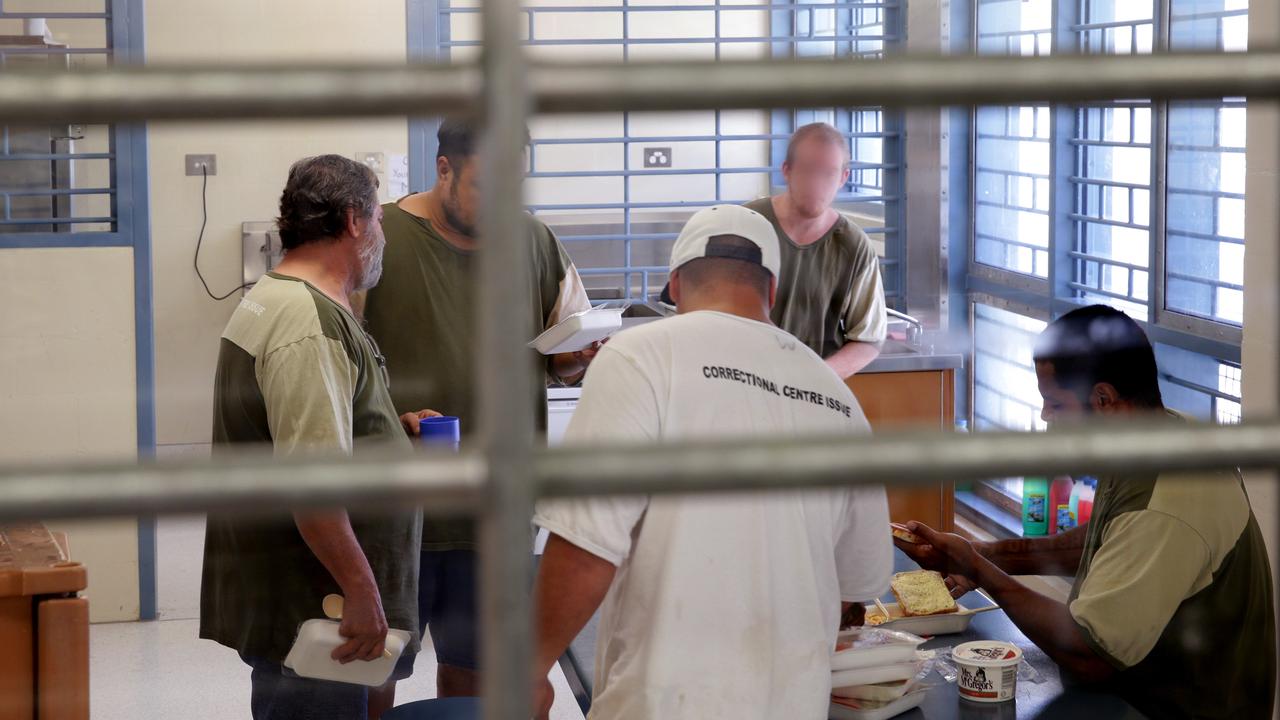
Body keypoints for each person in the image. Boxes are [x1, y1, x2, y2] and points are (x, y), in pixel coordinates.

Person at [530, 205, 894, 719]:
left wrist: (529, 669)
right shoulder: (834, 395)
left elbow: (586, 542)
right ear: (772, 292)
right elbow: (854, 588)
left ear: (675, 284)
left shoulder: (640, 354)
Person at [897, 305, 1276, 719]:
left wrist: (984, 572)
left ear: (1104, 399)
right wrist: (980, 554)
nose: (1046, 417)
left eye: (1056, 405)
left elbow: (1090, 655)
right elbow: (1101, 545)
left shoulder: (1166, 499)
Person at [356, 118, 596, 699]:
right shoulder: (379, 237)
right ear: (444, 170)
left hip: (495, 509)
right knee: (374, 669)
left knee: (476, 672)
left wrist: (578, 357)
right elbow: (339, 359)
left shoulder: (534, 241)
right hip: (398, 510)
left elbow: (565, 353)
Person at [201, 155, 434, 720]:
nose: (382, 233)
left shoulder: (277, 296)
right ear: (354, 221)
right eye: (378, 219)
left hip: (302, 593)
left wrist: (385, 433)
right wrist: (362, 592)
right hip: (316, 605)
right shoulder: (306, 324)